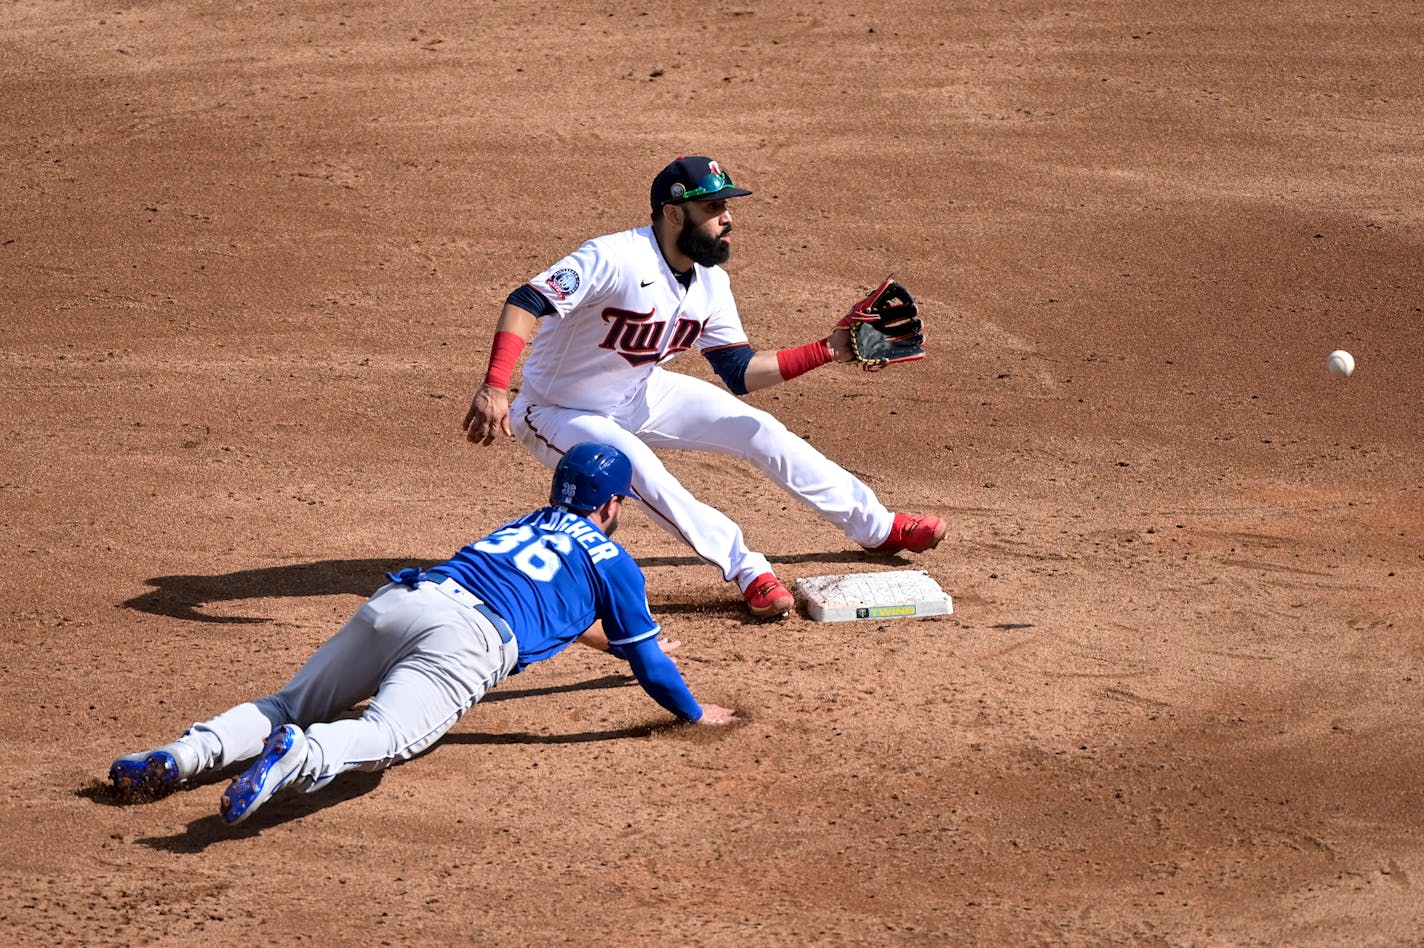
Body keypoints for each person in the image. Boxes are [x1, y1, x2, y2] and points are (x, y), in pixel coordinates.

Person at [109, 443, 737, 825]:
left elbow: (550, 606)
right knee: (384, 737)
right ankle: (302, 755)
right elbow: (650, 667)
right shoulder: (611, 560)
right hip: (467, 640)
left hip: (408, 598)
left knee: (286, 702)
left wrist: (608, 642)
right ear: (613, 505)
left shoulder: (527, 523)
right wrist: (692, 709)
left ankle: (179, 757)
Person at [462, 155, 945, 618]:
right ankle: (747, 570)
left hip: (637, 392)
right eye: (713, 208)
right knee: (637, 466)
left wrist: (828, 349)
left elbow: (739, 371)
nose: (727, 218)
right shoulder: (613, 257)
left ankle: (877, 528)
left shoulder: (711, 284)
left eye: (726, 206)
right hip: (554, 409)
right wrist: (496, 386)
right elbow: (526, 299)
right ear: (674, 214)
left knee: (757, 428)